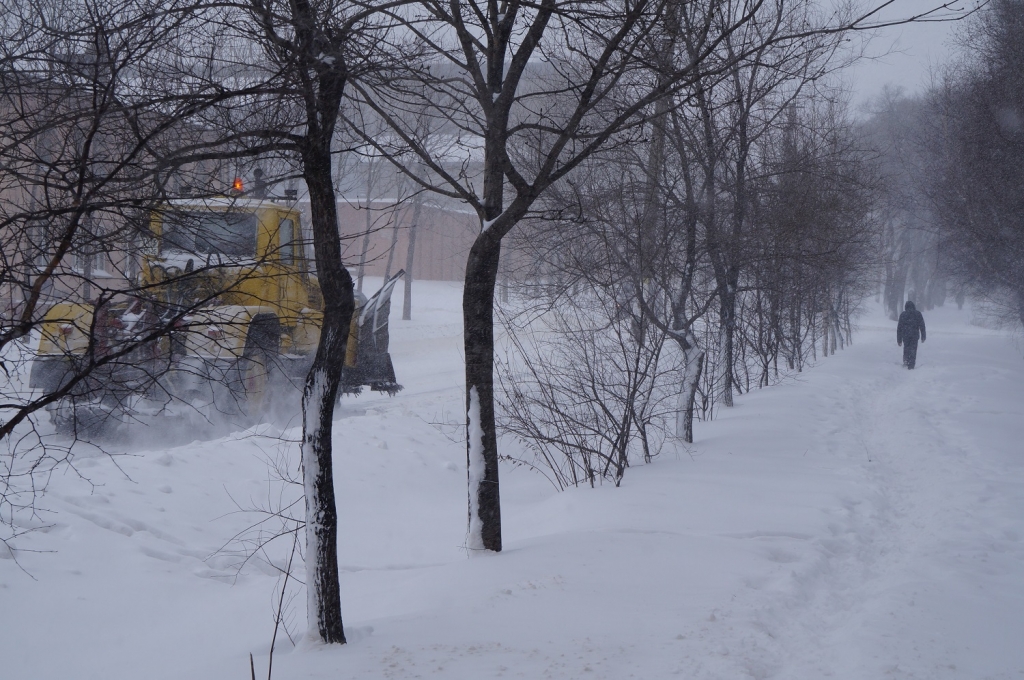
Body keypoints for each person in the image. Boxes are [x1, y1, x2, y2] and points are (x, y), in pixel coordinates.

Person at [897, 300, 926, 369]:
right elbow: (922, 326)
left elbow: (899, 328)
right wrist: (923, 336)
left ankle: (906, 361)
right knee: (913, 349)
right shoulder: (918, 314)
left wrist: (899, 339)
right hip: (914, 335)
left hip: (906, 335)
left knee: (906, 348)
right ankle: (912, 364)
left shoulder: (903, 315)